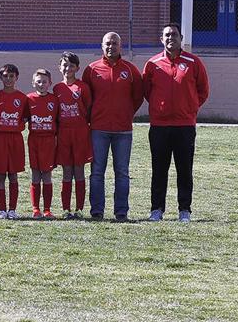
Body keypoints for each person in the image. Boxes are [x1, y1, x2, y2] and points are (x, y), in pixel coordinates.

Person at [142, 23, 209, 222]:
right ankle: (157, 209)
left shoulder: (193, 62)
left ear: (181, 38)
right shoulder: (152, 64)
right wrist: (159, 108)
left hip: (185, 126)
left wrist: (189, 108)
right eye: (167, 35)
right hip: (159, 126)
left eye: (174, 35)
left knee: (184, 169)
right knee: (159, 169)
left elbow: (203, 90)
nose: (171, 38)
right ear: (161, 39)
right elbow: (147, 91)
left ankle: (184, 210)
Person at [82, 32, 143, 221]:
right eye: (107, 44)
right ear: (102, 46)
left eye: (114, 43)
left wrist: (126, 113)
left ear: (120, 46)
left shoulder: (131, 70)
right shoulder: (91, 70)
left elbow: (138, 97)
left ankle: (121, 211)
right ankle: (97, 211)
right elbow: (86, 97)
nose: (111, 47)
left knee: (122, 172)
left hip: (123, 130)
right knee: (97, 171)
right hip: (98, 129)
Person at [53, 52, 92, 218]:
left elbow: (88, 109)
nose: (67, 68)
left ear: (77, 68)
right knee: (67, 171)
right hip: (63, 133)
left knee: (79, 170)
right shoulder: (56, 88)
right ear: (59, 67)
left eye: (71, 65)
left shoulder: (82, 87)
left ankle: (80, 209)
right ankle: (66, 209)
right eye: (64, 65)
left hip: (80, 132)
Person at [0, 64, 28, 219]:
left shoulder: (22, 98)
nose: (8, 79)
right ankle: (1, 210)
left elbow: (25, 117)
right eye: (5, 76)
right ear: (1, 77)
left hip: (15, 139)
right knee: (0, 176)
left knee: (13, 175)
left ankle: (12, 210)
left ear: (16, 77)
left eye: (11, 76)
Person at [26, 69, 58, 219]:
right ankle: (35, 209)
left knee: (47, 175)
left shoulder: (54, 100)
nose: (41, 84)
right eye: (38, 81)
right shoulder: (29, 99)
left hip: (49, 141)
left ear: (50, 83)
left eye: (44, 81)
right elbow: (23, 118)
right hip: (34, 140)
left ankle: (47, 209)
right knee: (35, 174)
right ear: (33, 83)